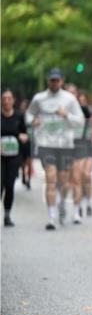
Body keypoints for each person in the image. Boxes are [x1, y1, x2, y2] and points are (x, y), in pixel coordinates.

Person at [26, 68, 84, 230]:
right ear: (48, 81)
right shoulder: (39, 98)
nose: (54, 82)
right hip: (46, 144)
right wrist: (33, 121)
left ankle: (62, 203)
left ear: (62, 81)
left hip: (65, 145)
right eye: (52, 80)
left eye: (57, 80)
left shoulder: (70, 99)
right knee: (51, 178)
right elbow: (29, 115)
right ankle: (51, 217)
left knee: (63, 182)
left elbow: (80, 121)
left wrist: (66, 115)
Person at [66, 84, 92, 222]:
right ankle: (77, 209)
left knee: (86, 175)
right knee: (76, 178)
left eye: (74, 92)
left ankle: (88, 202)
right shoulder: (66, 110)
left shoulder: (84, 110)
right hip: (73, 146)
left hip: (87, 145)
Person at [1, 89, 29, 226]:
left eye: (9, 98)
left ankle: (7, 215)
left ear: (13, 100)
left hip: (14, 156)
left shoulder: (19, 116)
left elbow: (25, 133)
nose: (6, 101)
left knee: (9, 185)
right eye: (4, 98)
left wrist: (24, 137)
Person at [17, 97, 32, 190]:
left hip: (30, 141)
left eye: (24, 106)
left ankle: (28, 180)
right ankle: (23, 175)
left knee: (29, 162)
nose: (23, 108)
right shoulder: (19, 115)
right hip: (22, 141)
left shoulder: (32, 116)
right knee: (23, 161)